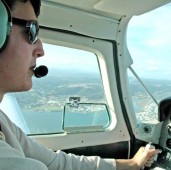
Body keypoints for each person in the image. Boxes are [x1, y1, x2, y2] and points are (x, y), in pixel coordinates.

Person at [0, 0, 161, 169]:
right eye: (32, 30)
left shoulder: (3, 122)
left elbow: (59, 163)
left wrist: (133, 164)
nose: (41, 49)